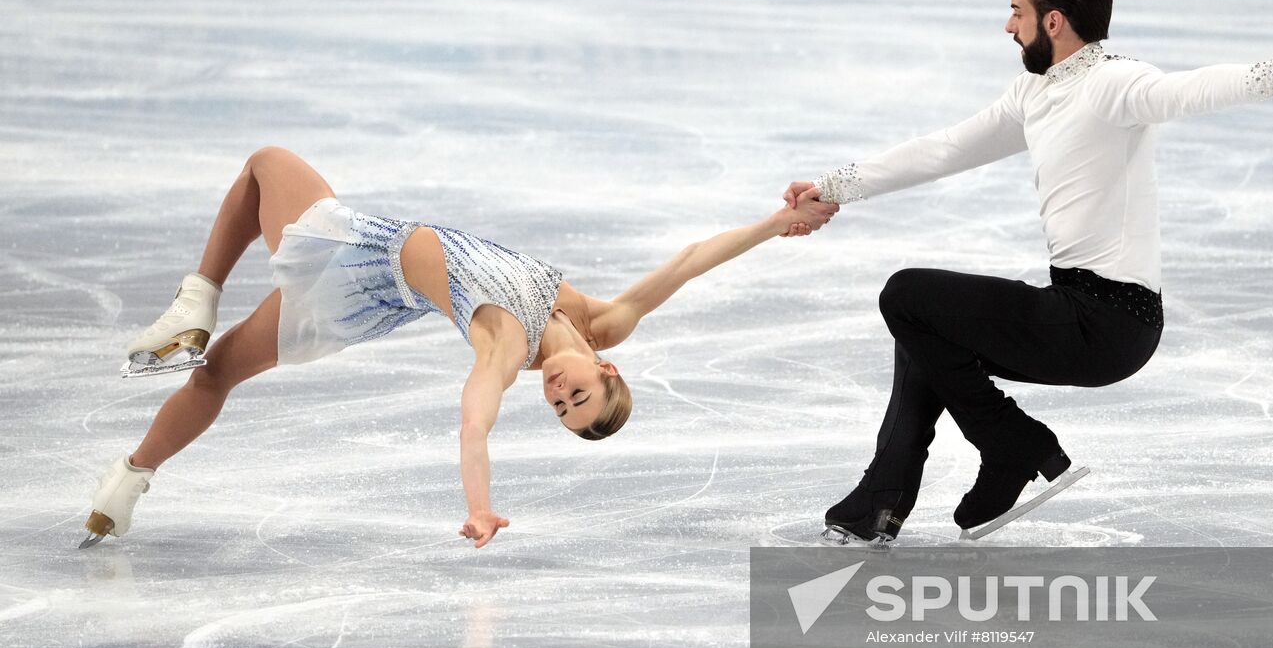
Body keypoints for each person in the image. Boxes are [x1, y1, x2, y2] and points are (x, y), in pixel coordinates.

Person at [784, 0, 1273, 544]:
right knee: (925, 327)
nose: (1009, 26)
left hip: (1112, 321)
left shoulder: (1112, 82)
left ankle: (1012, 443)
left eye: (1016, 12)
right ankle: (881, 502)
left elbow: (1184, 91)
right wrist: (832, 189)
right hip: (1074, 308)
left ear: (1052, 22)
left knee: (907, 295)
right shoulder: (1035, 89)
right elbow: (945, 149)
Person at [82, 146, 838, 549]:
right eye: (578, 394)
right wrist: (777, 224)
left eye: (560, 409)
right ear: (607, 368)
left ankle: (197, 298)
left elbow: (475, 422)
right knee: (216, 375)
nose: (558, 392)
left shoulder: (507, 346)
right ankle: (128, 481)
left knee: (266, 163)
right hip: (374, 305)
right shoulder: (604, 322)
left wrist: (481, 508)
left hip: (357, 257)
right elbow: (693, 259)